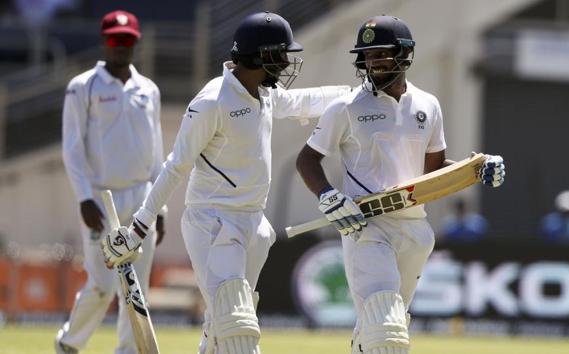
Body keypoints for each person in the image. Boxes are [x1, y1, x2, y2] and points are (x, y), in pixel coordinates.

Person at [101, 11, 351, 354]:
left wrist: (356, 93)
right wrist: (138, 229)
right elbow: (176, 166)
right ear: (260, 56)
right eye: (280, 55)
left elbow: (301, 101)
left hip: (253, 224)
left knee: (220, 329)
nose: (285, 63)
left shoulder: (262, 93)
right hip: (213, 223)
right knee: (238, 329)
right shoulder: (211, 102)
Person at [295, 15, 506, 354]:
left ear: (404, 54)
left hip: (415, 230)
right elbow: (306, 159)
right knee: (386, 326)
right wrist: (328, 196)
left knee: (387, 322)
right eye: (368, 55)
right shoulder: (345, 107)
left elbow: (434, 170)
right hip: (366, 225)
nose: (374, 62)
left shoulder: (427, 105)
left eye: (382, 53)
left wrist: (475, 170)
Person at [56, 10, 166, 354]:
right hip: (102, 200)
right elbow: (72, 149)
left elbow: (156, 151)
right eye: (116, 40)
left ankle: (127, 351)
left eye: (128, 41)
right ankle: (69, 344)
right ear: (105, 41)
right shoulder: (82, 87)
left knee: (136, 287)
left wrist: (158, 207)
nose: (122, 47)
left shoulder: (148, 89)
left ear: (135, 43)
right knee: (102, 285)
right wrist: (84, 197)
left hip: (141, 197)